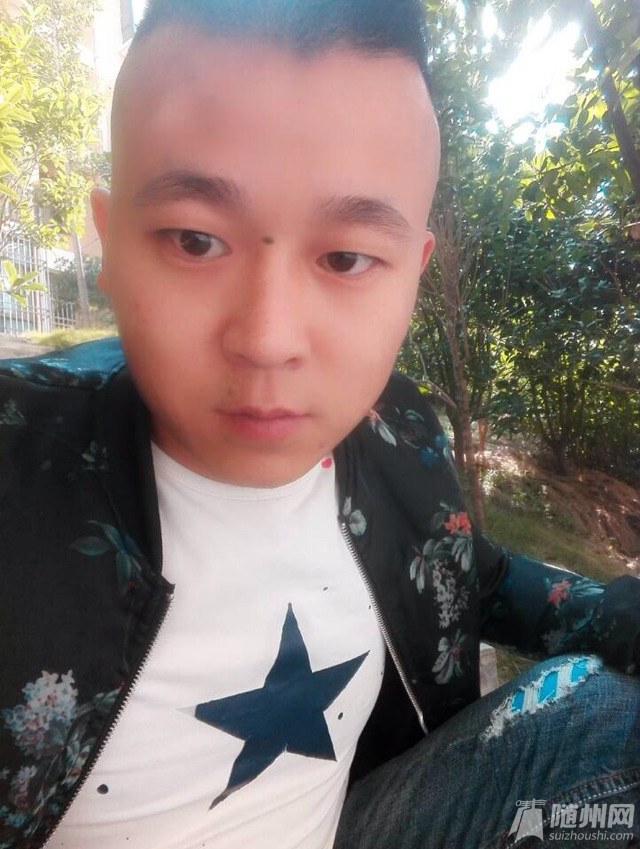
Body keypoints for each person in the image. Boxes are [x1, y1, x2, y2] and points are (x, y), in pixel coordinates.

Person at [0, 1, 639, 847]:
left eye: (345, 258)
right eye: (194, 241)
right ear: (110, 244)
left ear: (411, 278)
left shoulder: (396, 428)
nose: (268, 339)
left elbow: (466, 574)